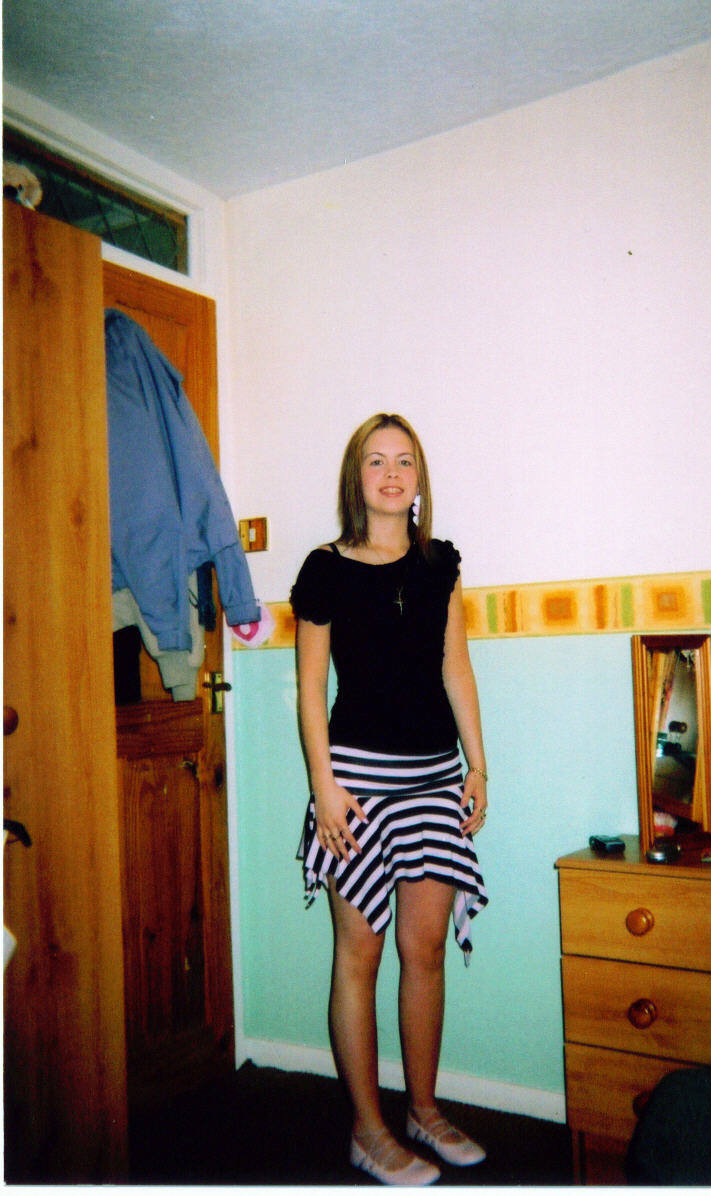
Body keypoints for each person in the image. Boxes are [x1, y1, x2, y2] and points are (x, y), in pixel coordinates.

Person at [291, 413, 489, 1185]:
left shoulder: (440, 564)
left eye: (403, 460)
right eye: (375, 461)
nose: (391, 473)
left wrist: (478, 765)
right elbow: (310, 687)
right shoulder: (324, 568)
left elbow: (456, 668)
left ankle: (423, 1110)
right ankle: (367, 1129)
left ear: (418, 478)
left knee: (425, 949)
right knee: (359, 955)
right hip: (354, 782)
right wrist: (323, 786)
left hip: (433, 777)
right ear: (357, 478)